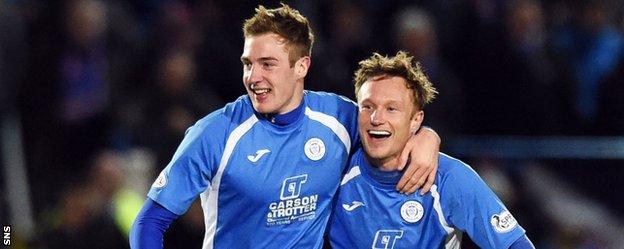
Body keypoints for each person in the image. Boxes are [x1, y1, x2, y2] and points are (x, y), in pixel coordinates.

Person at [130, 4, 441, 249]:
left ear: (301, 66)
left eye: (267, 64)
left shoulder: (338, 118)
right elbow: (149, 222)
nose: (253, 77)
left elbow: (390, 128)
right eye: (247, 63)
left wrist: (427, 137)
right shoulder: (215, 133)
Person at [328, 51, 534, 248]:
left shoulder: (449, 178)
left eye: (391, 109)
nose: (376, 119)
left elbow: (513, 244)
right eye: (368, 107)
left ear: (415, 120)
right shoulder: (332, 168)